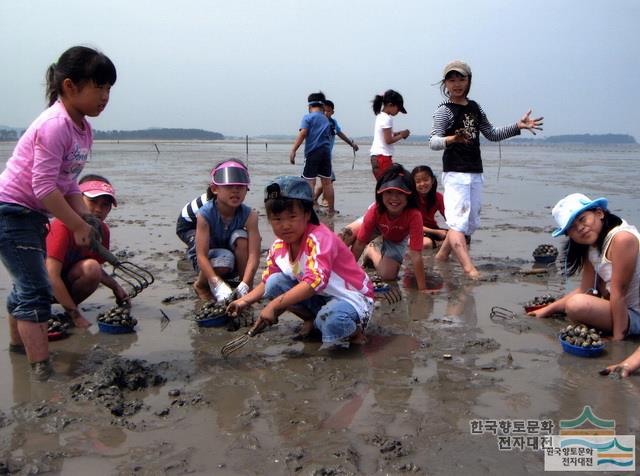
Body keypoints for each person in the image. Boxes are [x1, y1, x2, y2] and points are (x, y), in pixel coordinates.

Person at [0, 46, 116, 381]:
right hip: (11, 211)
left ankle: (18, 349)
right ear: (70, 86)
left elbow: (66, 182)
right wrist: (75, 222)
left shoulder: (82, 128)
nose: (105, 96)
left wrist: (87, 216)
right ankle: (41, 370)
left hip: (32, 214)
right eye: (99, 87)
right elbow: (43, 187)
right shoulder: (54, 126)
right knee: (35, 289)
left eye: (109, 88)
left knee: (26, 283)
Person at [226, 176, 374, 348]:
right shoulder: (278, 247)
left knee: (331, 321)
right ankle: (312, 318)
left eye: (292, 216)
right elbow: (267, 281)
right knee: (274, 283)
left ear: (307, 214)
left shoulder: (319, 239)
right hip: (323, 296)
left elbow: (314, 283)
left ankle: (357, 334)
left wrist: (274, 306)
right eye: (278, 219)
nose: (285, 225)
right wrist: (243, 301)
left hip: (352, 297)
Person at [429, 60, 543, 278]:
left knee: (469, 223)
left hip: (475, 171)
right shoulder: (444, 110)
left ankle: (440, 259)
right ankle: (469, 269)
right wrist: (452, 138)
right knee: (457, 222)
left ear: (469, 80)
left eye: (461, 79)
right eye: (452, 80)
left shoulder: (475, 107)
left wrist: (517, 126)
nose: (457, 84)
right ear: (445, 83)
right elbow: (433, 141)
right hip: (455, 172)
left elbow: (491, 134)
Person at [528, 193, 640, 342]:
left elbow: (619, 292)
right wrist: (547, 309)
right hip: (624, 310)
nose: (580, 228)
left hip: (635, 314)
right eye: (572, 228)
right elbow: (586, 290)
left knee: (576, 306)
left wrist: (617, 338)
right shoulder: (591, 247)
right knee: (577, 301)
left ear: (599, 213)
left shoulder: (622, 239)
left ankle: (623, 331)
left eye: (582, 219)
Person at [46, 174, 129, 328]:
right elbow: (51, 276)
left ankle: (67, 308)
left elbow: (95, 268)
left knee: (92, 268)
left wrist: (115, 286)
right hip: (42, 285)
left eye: (105, 204)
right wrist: (76, 316)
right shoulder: (62, 226)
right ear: (77, 200)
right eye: (92, 201)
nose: (98, 209)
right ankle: (66, 310)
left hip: (67, 280)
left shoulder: (102, 230)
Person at [350, 164, 428, 290]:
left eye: (400, 193)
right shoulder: (376, 209)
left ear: (409, 195)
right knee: (345, 234)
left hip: (396, 237)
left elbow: (416, 254)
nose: (394, 198)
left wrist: (422, 289)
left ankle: (371, 250)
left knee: (387, 275)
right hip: (376, 225)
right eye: (389, 192)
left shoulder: (414, 215)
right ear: (380, 193)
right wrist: (348, 274)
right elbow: (359, 243)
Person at [193, 159, 261, 302]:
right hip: (213, 258)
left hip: (233, 254)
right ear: (215, 189)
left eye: (240, 187)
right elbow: (201, 256)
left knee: (241, 238)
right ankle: (201, 285)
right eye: (229, 186)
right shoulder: (204, 214)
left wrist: (246, 284)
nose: (235, 190)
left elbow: (254, 255)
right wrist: (216, 284)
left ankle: (244, 286)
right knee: (225, 260)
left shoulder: (250, 216)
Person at [289, 92, 336, 214]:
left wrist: (293, 150)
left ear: (309, 107)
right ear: (322, 106)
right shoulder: (326, 119)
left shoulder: (308, 117)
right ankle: (331, 209)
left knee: (310, 182)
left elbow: (303, 133)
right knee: (327, 182)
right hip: (326, 153)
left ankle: (308, 210)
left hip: (313, 152)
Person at [314, 99, 359, 206]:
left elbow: (340, 133)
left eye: (328, 111)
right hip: (318, 155)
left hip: (326, 156)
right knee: (328, 179)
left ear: (332, 112)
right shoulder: (318, 122)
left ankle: (314, 198)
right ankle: (324, 201)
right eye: (323, 111)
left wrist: (351, 144)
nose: (326, 113)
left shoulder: (333, 123)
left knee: (328, 179)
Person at [369, 90, 410, 180]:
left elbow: (385, 135)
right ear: (390, 104)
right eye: (398, 109)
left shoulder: (380, 116)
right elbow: (388, 140)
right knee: (387, 185)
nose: (398, 112)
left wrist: (398, 133)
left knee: (382, 186)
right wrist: (402, 135)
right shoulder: (387, 119)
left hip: (376, 157)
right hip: (382, 157)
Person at [411, 165, 447, 249]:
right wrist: (437, 232)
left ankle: (440, 245)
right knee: (426, 243)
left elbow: (449, 218)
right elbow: (412, 225)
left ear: (432, 180)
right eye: (418, 181)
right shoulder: (410, 198)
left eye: (426, 180)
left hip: (432, 228)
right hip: (414, 230)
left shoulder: (438, 197)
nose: (422, 184)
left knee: (463, 236)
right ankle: (440, 245)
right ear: (413, 184)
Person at [176, 186, 215, 262]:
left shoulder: (216, 197)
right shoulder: (209, 205)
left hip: (197, 222)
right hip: (186, 227)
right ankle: (191, 256)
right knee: (203, 243)